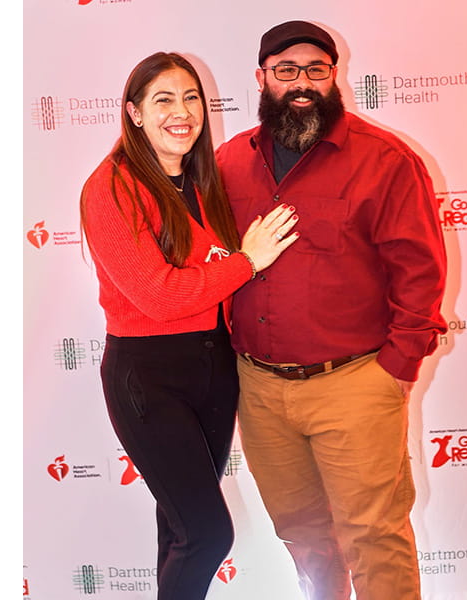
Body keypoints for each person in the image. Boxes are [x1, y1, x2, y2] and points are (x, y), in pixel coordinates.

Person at [215, 21, 448, 600]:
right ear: (261, 78)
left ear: (334, 76)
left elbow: (420, 274)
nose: (302, 83)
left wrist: (393, 369)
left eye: (316, 70)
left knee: (374, 535)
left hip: (354, 382)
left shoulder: (386, 160)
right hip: (260, 391)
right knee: (303, 536)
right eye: (286, 70)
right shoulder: (227, 163)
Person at [79, 51, 299, 600]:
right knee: (206, 532)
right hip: (148, 376)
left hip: (213, 366)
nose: (181, 112)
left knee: (179, 529)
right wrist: (247, 261)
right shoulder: (111, 186)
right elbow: (157, 296)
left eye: (191, 97)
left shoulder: (206, 180)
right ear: (133, 113)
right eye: (163, 100)